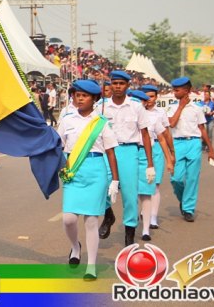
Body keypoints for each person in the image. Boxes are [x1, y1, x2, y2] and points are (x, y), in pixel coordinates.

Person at [57, 80, 120, 281]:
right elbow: (58, 146)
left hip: (96, 172)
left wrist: (115, 181)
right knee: (68, 219)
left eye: (84, 95)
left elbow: (111, 152)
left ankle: (91, 265)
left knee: (91, 221)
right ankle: (75, 247)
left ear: (94, 99)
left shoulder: (101, 122)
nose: (80, 98)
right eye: (77, 95)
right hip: (73, 171)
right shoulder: (67, 119)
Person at [98, 71, 154, 246]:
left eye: (121, 83)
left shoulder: (136, 106)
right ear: (110, 85)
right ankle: (108, 215)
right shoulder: (101, 106)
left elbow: (144, 134)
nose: (117, 87)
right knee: (102, 186)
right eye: (114, 83)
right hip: (108, 150)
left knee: (130, 195)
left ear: (128, 86)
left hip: (129, 151)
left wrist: (150, 164)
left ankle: (129, 234)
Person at [167, 77, 214, 222]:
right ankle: (184, 199)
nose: (174, 92)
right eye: (174, 90)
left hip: (194, 143)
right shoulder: (172, 106)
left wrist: (211, 149)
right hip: (178, 144)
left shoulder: (197, 108)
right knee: (175, 178)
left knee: (192, 178)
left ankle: (188, 209)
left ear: (187, 91)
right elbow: (172, 124)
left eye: (177, 90)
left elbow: (202, 129)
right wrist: (181, 107)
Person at [130, 90, 172, 241]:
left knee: (148, 191)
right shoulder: (126, 117)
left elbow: (162, 137)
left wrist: (169, 158)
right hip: (131, 154)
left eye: (141, 102)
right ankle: (132, 221)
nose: (140, 105)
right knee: (131, 192)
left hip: (148, 154)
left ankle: (146, 229)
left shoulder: (153, 117)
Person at [140, 85, 175, 231]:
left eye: (152, 96)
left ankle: (153, 217)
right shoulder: (136, 111)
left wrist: (171, 155)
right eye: (145, 96)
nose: (148, 99)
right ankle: (144, 211)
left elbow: (165, 135)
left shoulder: (160, 112)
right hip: (140, 151)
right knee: (141, 186)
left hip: (156, 151)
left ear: (156, 97)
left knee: (154, 185)